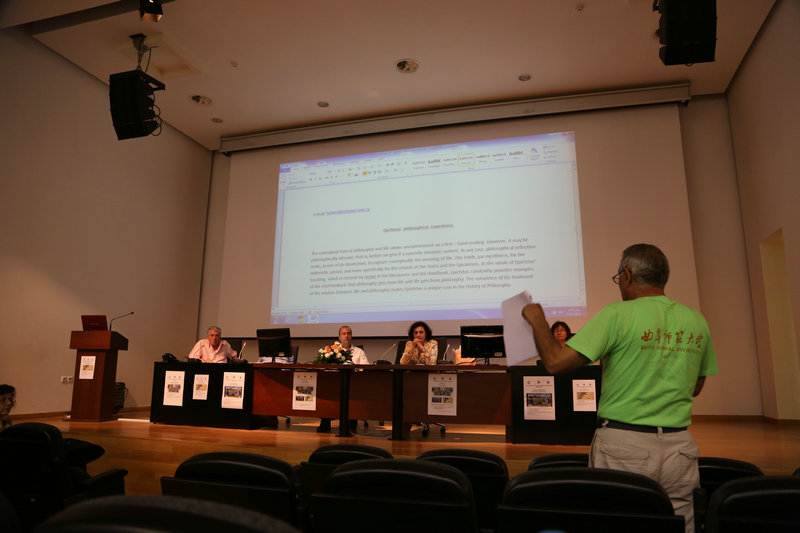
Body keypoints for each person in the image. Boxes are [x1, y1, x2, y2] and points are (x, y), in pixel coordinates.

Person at [522, 244, 717, 533]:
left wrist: (538, 320)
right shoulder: (696, 320)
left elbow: (555, 362)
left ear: (627, 275)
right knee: (678, 524)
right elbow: (697, 386)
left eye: (618, 278)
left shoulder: (617, 314)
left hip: (624, 446)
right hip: (680, 448)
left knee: (616, 521)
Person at [317, 325, 368, 433]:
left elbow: (365, 368)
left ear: (351, 336)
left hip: (353, 384)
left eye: (348, 333)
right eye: (344, 334)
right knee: (326, 390)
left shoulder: (359, 352)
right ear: (339, 337)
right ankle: (325, 423)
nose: (346, 336)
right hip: (335, 383)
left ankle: (351, 422)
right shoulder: (332, 351)